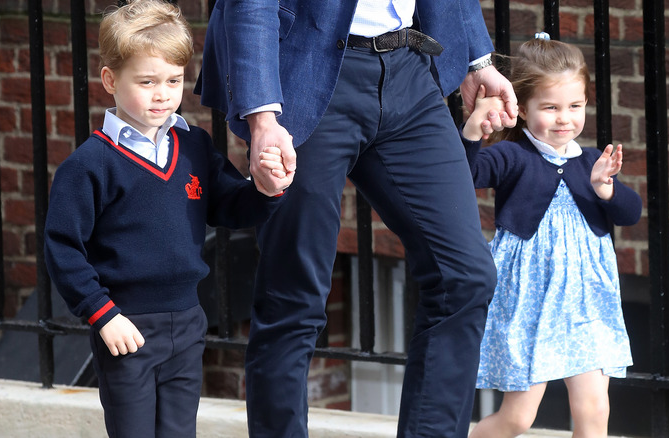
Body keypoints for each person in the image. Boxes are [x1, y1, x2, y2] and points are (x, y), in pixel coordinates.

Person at [196, 1, 518, 437]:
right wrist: (262, 118)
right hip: (304, 71)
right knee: (293, 297)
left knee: (465, 276)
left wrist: (477, 59)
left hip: (409, 72)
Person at [43, 1, 290, 436]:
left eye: (174, 80)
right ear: (110, 80)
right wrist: (102, 313)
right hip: (126, 326)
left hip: (188, 321)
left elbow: (230, 205)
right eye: (147, 81)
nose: (162, 93)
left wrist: (265, 190)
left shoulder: (194, 145)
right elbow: (62, 248)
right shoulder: (90, 165)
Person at [460, 33, 643, 438]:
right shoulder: (512, 156)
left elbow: (631, 214)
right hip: (531, 301)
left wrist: (605, 190)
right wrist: (472, 133)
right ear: (522, 109)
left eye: (575, 106)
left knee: (595, 411)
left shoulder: (593, 161)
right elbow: (465, 176)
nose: (565, 118)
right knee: (518, 418)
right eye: (550, 107)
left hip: (586, 301)